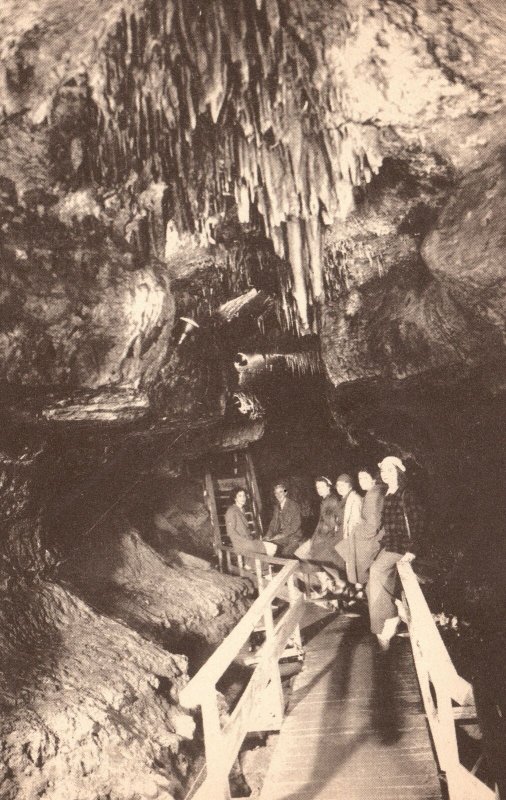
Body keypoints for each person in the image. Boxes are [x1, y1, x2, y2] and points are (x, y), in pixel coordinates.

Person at [368, 456, 424, 649]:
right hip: (390, 544)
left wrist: (413, 550)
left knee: (376, 571)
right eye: (383, 471)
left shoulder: (406, 494)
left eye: (390, 471)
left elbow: (418, 523)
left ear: (399, 473)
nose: (385, 474)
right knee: (373, 577)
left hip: (402, 546)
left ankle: (389, 619)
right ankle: (388, 615)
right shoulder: (387, 493)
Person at [303, 476, 346, 595]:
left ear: (328, 487)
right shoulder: (325, 500)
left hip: (330, 536)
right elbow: (322, 522)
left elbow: (330, 523)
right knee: (310, 555)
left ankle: (337, 581)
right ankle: (326, 582)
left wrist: (318, 539)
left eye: (322, 486)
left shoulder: (331, 500)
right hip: (323, 534)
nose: (319, 489)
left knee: (316, 555)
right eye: (317, 487)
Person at [348, 467, 385, 586]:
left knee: (346, 549)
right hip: (376, 536)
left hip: (373, 539)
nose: (361, 481)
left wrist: (356, 531)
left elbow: (372, 527)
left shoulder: (373, 495)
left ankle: (360, 587)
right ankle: (358, 587)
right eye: (360, 478)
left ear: (374, 479)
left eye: (365, 478)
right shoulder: (374, 492)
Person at [224, 487, 277, 556]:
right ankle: (265, 565)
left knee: (269, 548)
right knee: (272, 547)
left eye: (244, 495)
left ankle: (253, 565)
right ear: (234, 498)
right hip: (241, 544)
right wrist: (245, 542)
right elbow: (231, 532)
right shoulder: (231, 511)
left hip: (248, 541)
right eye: (240, 496)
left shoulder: (241, 509)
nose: (243, 498)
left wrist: (250, 541)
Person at [334, 474, 363, 585]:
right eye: (337, 485)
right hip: (342, 534)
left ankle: (356, 588)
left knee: (352, 565)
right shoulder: (343, 499)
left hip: (351, 536)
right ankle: (345, 585)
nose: (339, 488)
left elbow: (355, 523)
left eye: (343, 485)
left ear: (350, 485)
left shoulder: (355, 499)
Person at [266, 482, 303, 556]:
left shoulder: (293, 505)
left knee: (284, 553)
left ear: (285, 493)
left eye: (280, 492)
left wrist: (280, 536)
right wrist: (268, 535)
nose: (278, 495)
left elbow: (295, 526)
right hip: (282, 537)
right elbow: (273, 524)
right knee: (267, 545)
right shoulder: (276, 507)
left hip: (294, 537)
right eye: (276, 493)